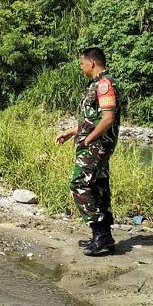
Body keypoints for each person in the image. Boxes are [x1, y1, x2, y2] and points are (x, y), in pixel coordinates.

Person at [55, 48, 120, 255]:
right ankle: (103, 236)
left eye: (82, 63)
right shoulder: (97, 84)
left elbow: (108, 119)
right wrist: (70, 132)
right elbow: (92, 120)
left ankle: (100, 233)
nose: (81, 67)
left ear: (91, 62)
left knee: (79, 184)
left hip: (97, 145)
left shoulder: (104, 85)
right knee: (98, 186)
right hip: (96, 144)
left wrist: (87, 140)